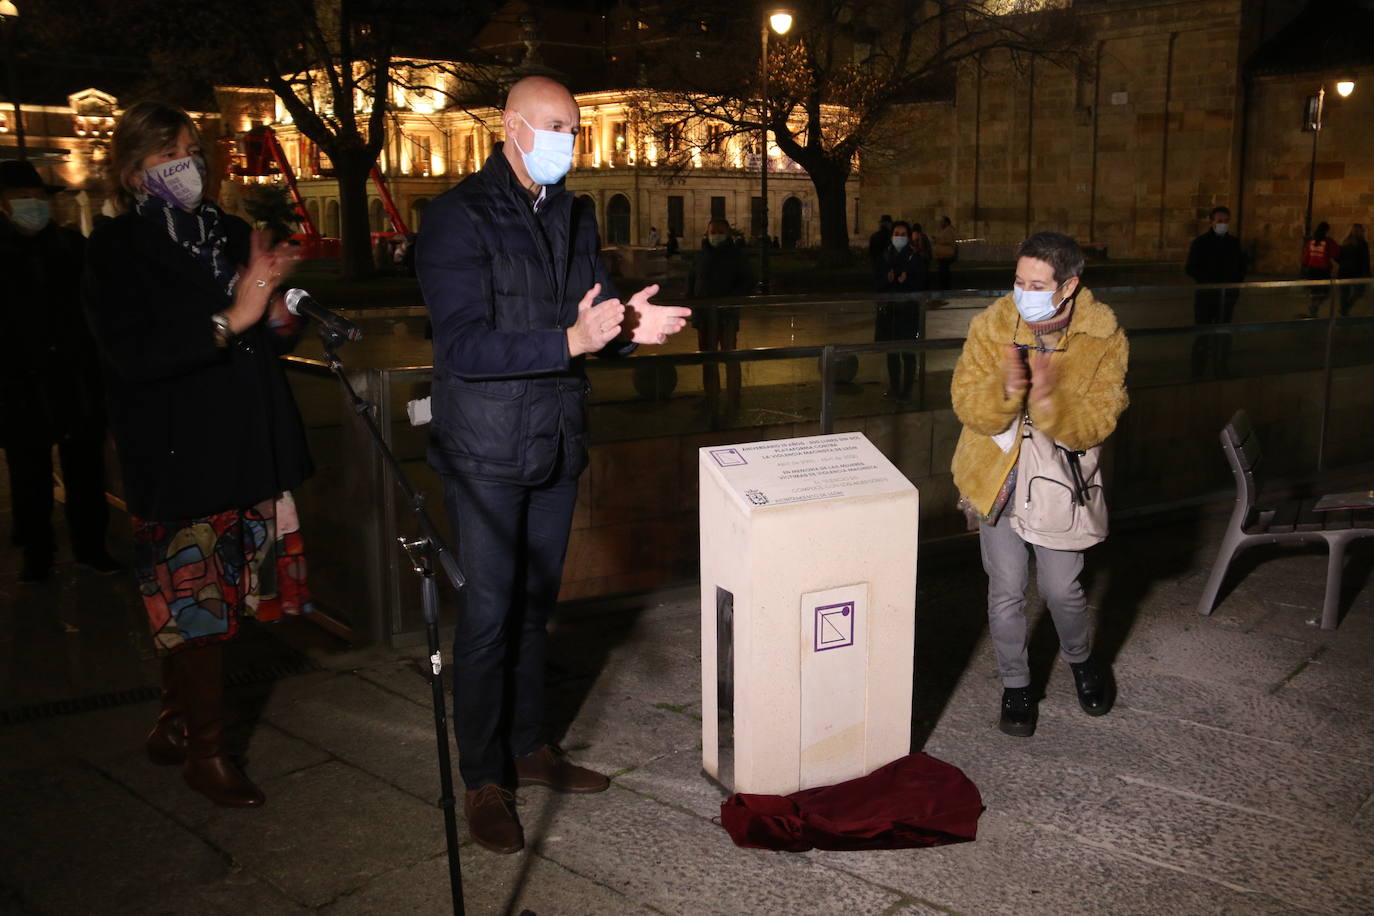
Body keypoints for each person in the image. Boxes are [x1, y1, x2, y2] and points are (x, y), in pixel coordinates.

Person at [415, 75, 691, 855]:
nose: (568, 139)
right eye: (554, 125)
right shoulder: (456, 217)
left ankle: (531, 747)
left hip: (556, 438)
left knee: (537, 607)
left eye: (573, 126)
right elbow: (463, 344)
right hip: (486, 451)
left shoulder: (571, 213)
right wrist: (570, 342)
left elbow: (588, 313)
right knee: (491, 614)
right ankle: (482, 776)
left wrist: (633, 325)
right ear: (510, 127)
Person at [84, 101, 315, 808]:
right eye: (165, 154)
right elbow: (131, 356)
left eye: (191, 149)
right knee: (197, 606)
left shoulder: (233, 232)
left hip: (250, 443)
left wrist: (276, 312)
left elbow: (266, 333)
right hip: (179, 455)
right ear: (130, 170)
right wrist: (231, 318)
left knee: (232, 602)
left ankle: (173, 720)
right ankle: (207, 754)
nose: (186, 164)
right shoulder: (115, 248)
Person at [949, 231, 1129, 738]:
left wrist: (1050, 403)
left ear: (1068, 286)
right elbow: (966, 401)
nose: (1022, 292)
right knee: (1005, 590)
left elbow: (1098, 419)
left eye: (1036, 284)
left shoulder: (1102, 336)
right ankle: (1017, 685)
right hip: (997, 474)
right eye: (1017, 280)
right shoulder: (993, 323)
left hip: (1057, 484)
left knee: (1060, 588)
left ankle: (1081, 659)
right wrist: (1005, 391)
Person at [0, 160, 120, 583]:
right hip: (20, 389)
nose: (33, 204)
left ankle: (92, 546)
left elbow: (99, 310)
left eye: (38, 197)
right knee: (29, 478)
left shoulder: (72, 247)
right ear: (3, 205)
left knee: (86, 474)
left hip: (75, 384)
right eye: (22, 197)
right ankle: (38, 553)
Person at [692, 218, 754, 415]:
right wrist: (692, 308)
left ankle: (734, 399)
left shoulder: (736, 256)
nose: (715, 235)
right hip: (704, 317)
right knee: (708, 359)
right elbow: (692, 283)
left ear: (727, 234)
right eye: (712, 231)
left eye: (719, 231)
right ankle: (711, 397)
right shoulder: (701, 256)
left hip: (726, 316)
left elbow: (749, 280)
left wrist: (731, 300)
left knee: (729, 357)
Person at [1183, 205, 1246, 377]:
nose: (1223, 224)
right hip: (1206, 296)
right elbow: (1191, 268)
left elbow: (1241, 268)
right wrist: (1208, 280)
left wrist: (1234, 286)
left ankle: (1221, 366)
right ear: (1212, 222)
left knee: (1224, 333)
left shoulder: (1234, 243)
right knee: (1203, 333)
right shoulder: (1201, 243)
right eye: (1220, 221)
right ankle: (1198, 369)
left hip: (1227, 296)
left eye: (1226, 221)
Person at [874, 220, 920, 399]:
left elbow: (921, 284)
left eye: (902, 234)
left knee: (907, 352)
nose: (899, 237)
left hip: (907, 311)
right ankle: (894, 388)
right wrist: (888, 279)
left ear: (908, 237)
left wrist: (906, 281)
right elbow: (877, 284)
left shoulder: (913, 258)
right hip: (889, 312)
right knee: (891, 352)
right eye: (896, 233)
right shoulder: (884, 256)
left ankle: (907, 390)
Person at [1301, 221, 1341, 317]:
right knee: (1325, 292)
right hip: (1322, 271)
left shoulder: (1312, 242)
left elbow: (1306, 257)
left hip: (1312, 270)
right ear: (1326, 231)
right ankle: (1314, 307)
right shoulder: (1328, 242)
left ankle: (1314, 308)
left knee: (1315, 292)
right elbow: (1336, 253)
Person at [1337, 223, 1369, 316]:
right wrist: (1367, 274)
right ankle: (1345, 308)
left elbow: (1339, 257)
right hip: (1356, 273)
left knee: (1344, 294)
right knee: (1359, 292)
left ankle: (1344, 310)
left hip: (1343, 271)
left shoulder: (1345, 242)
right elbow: (1365, 260)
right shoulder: (1362, 243)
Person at [932, 215, 958, 291]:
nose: (940, 223)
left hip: (946, 256)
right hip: (943, 256)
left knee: (944, 274)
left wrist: (937, 240)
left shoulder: (949, 230)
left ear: (946, 222)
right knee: (943, 273)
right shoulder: (946, 230)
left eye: (942, 222)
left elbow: (948, 241)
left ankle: (945, 289)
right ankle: (944, 288)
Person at [868, 214, 893, 282]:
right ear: (888, 224)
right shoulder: (890, 236)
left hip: (876, 266)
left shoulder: (874, 236)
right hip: (888, 267)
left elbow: (871, 252)